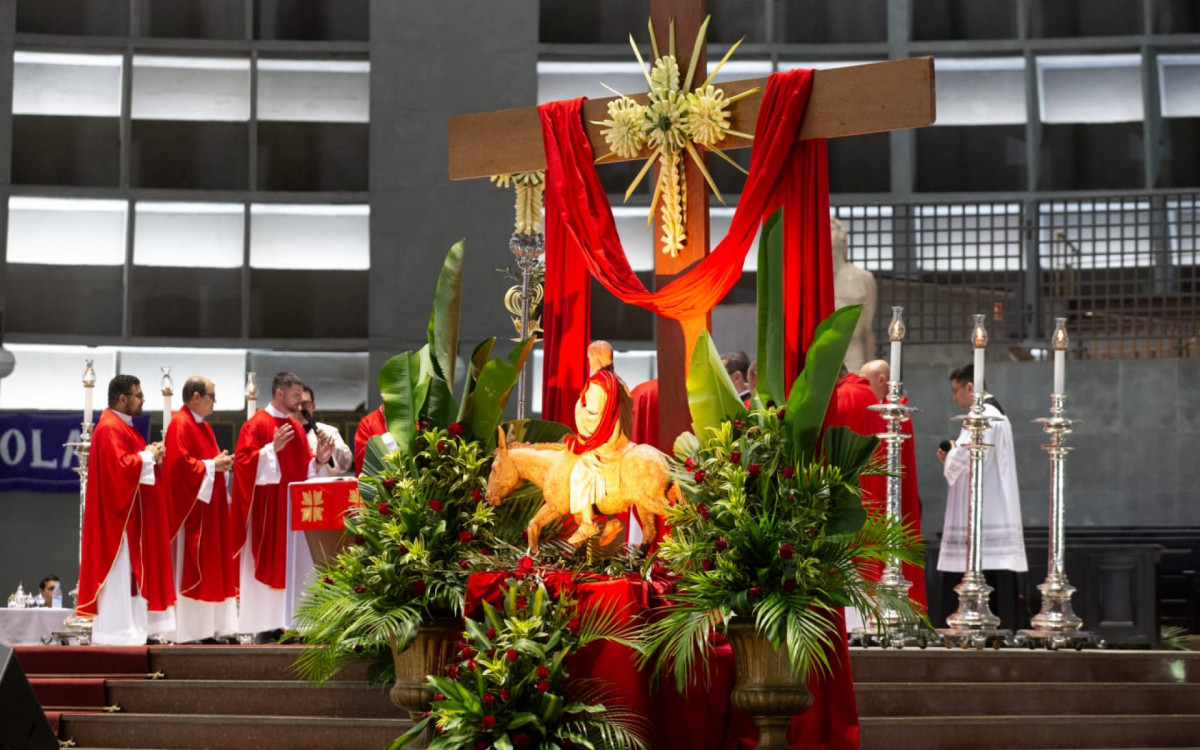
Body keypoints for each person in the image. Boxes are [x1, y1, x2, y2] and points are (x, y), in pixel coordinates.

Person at [231, 372, 334, 638]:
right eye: (296, 396)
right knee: (268, 566)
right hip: (268, 514)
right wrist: (270, 450)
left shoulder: (298, 428)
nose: (301, 402)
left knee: (295, 567)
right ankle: (265, 627)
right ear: (279, 393)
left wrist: (320, 461)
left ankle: (293, 625)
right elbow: (242, 464)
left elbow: (304, 471)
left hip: (292, 515)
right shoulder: (256, 425)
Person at [77, 375, 176, 645]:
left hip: (130, 516)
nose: (143, 399)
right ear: (123, 398)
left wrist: (148, 452)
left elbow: (132, 461)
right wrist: (149, 455)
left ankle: (135, 629)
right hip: (116, 520)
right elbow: (120, 468)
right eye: (138, 395)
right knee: (120, 574)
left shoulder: (127, 427)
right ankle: (116, 632)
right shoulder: (109, 427)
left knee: (133, 576)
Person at [936, 363, 1027, 630]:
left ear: (970, 387)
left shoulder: (982, 415)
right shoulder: (997, 413)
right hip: (992, 499)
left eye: (956, 391)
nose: (954, 398)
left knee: (981, 562)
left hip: (983, 507)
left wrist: (949, 453)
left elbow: (965, 457)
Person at [163, 376, 238, 643]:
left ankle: (213, 628)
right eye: (211, 396)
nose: (214, 403)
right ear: (196, 396)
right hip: (193, 512)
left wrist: (220, 463)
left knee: (215, 568)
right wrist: (211, 465)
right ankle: (192, 631)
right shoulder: (179, 425)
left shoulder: (204, 428)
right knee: (195, 568)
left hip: (211, 510)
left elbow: (207, 461)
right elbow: (180, 467)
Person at [858, 359, 927, 608]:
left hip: (891, 499)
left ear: (882, 381)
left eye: (866, 382)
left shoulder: (898, 415)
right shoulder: (877, 411)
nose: (864, 389)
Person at [566, 341, 632, 545]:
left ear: (595, 357)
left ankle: (587, 522)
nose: (588, 361)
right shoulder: (619, 381)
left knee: (580, 470)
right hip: (622, 439)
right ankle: (611, 519)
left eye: (589, 357)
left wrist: (579, 407)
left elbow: (593, 417)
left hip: (607, 444)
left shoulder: (598, 384)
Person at [831, 215, 877, 374]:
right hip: (820, 356)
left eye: (830, 229)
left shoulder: (863, 278)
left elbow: (867, 331)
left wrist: (872, 372)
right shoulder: (809, 279)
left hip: (853, 355)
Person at [300, 386, 354, 475]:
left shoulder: (330, 432)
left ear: (313, 406)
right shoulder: (283, 434)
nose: (300, 409)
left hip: (324, 487)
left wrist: (332, 448)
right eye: (296, 404)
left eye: (305, 404)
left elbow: (346, 464)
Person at [353, 402, 399, 475]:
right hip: (380, 482)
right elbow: (362, 461)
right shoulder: (367, 423)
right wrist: (389, 442)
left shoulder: (414, 420)